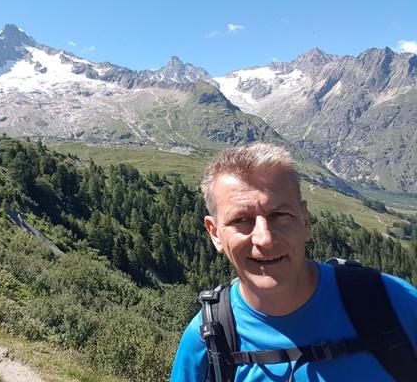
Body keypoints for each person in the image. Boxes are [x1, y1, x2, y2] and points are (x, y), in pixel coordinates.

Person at [170, 143, 417, 381]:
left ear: (306, 221)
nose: (264, 239)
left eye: (279, 215)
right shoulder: (209, 341)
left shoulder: (391, 302)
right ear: (215, 234)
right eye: (241, 220)